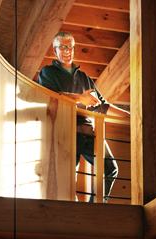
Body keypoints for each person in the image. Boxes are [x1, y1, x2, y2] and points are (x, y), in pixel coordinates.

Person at [38, 32, 130, 203]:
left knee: (110, 168)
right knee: (67, 178)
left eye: (70, 47)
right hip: (65, 130)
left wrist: (131, 116)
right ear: (54, 50)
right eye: (62, 47)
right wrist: (80, 98)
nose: (66, 51)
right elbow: (49, 97)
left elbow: (102, 105)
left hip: (88, 132)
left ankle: (94, 207)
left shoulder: (84, 77)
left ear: (74, 48)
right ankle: (72, 212)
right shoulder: (48, 72)